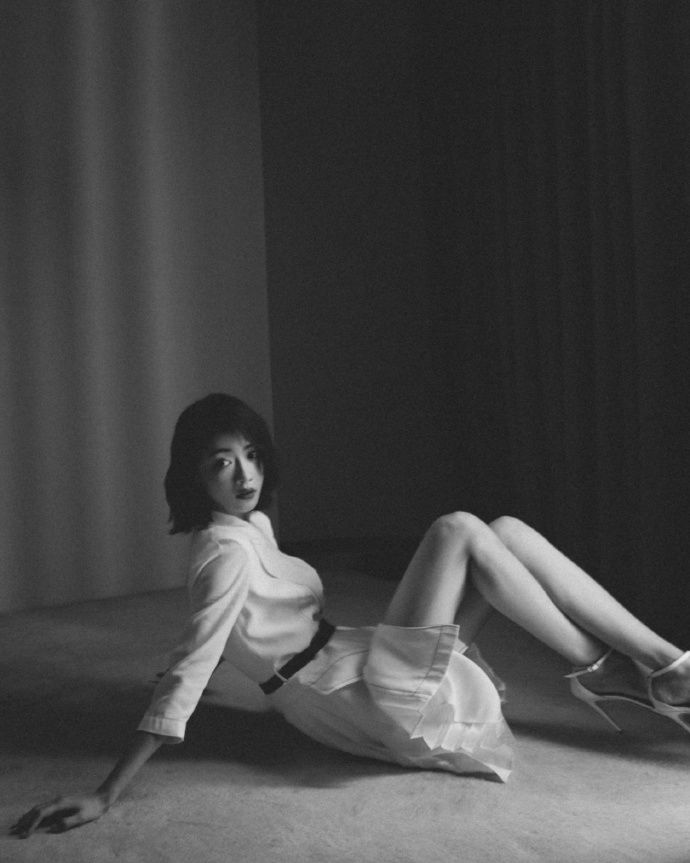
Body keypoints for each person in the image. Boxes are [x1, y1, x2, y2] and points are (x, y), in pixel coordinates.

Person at [12, 393, 690, 837]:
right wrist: (107, 792)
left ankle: (636, 669)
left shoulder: (246, 528)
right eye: (222, 463)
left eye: (251, 455)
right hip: (357, 698)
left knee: (505, 531)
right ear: (193, 476)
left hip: (359, 663)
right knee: (457, 529)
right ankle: (647, 669)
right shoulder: (223, 555)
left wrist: (208, 662)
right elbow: (196, 657)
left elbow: (221, 634)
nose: (245, 475)